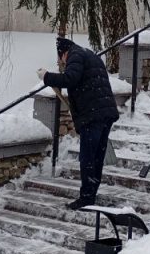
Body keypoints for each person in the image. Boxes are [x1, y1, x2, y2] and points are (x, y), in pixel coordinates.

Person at [37, 37, 120, 209]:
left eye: (61, 60)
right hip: (105, 113)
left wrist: (47, 77)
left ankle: (87, 198)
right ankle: (91, 193)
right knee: (96, 157)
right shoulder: (89, 55)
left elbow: (70, 79)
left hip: (93, 115)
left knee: (88, 157)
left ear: (63, 53)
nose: (62, 63)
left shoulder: (75, 55)